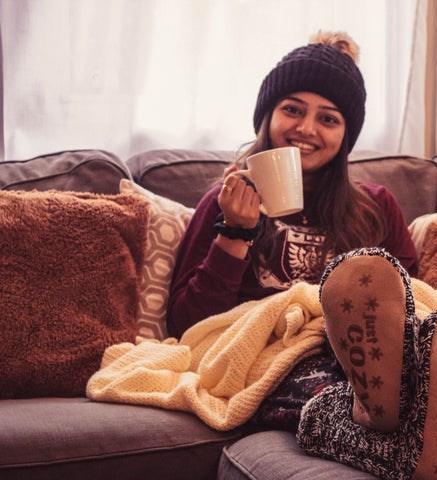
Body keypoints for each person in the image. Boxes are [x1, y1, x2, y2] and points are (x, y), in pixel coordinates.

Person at [167, 31, 417, 429]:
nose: (307, 128)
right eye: (292, 110)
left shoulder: (376, 208)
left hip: (350, 358)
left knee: (425, 355)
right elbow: (187, 328)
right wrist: (236, 232)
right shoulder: (225, 201)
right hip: (265, 364)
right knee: (341, 401)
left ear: (345, 136)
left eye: (329, 119)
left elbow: (410, 306)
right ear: (267, 117)